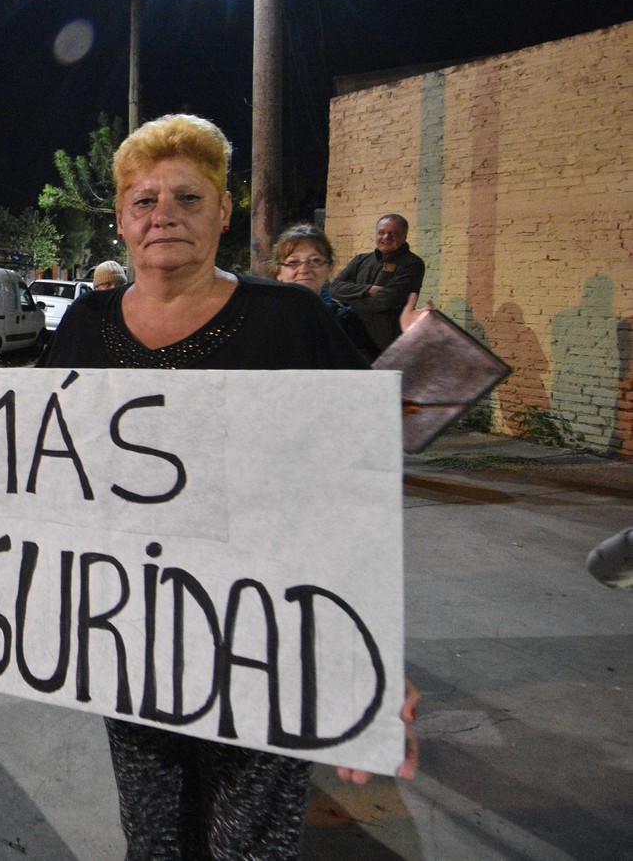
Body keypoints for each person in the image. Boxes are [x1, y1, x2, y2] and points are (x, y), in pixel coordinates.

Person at [44, 114, 418, 859]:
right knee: (153, 842)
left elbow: (357, 488)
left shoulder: (290, 318)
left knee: (247, 847)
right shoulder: (85, 323)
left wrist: (372, 657)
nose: (163, 217)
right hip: (131, 640)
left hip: (262, 645)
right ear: (120, 219)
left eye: (186, 197)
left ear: (223, 210)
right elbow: (31, 458)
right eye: (144, 201)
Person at [271, 224, 380, 363]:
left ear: (330, 268)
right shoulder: (263, 319)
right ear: (278, 271)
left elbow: (370, 373)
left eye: (315, 260)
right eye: (293, 262)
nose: (304, 269)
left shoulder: (346, 321)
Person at [328, 213, 426, 352]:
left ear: (404, 236)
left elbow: (382, 302)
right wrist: (368, 289)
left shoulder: (412, 264)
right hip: (354, 338)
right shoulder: (360, 260)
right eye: (382, 232)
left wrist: (348, 301)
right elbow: (334, 288)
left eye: (393, 233)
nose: (386, 237)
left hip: (386, 343)